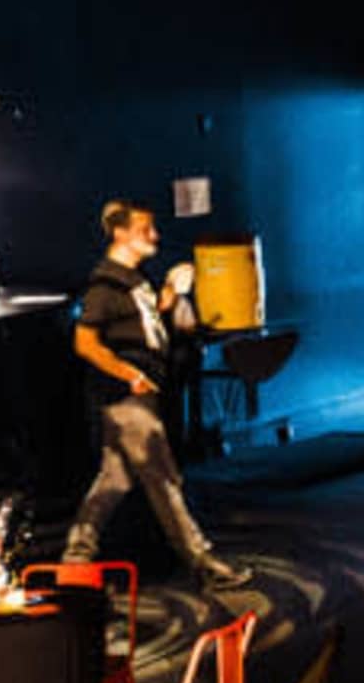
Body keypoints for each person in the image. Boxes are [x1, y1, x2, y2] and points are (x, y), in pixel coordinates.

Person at [63, 199, 244, 587]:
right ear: (120, 233)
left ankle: (75, 560)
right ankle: (203, 562)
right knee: (163, 478)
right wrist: (128, 374)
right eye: (146, 229)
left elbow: (151, 321)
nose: (155, 236)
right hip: (127, 399)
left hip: (138, 395)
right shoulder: (105, 286)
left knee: (114, 480)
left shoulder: (134, 281)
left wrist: (172, 291)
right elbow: (85, 343)